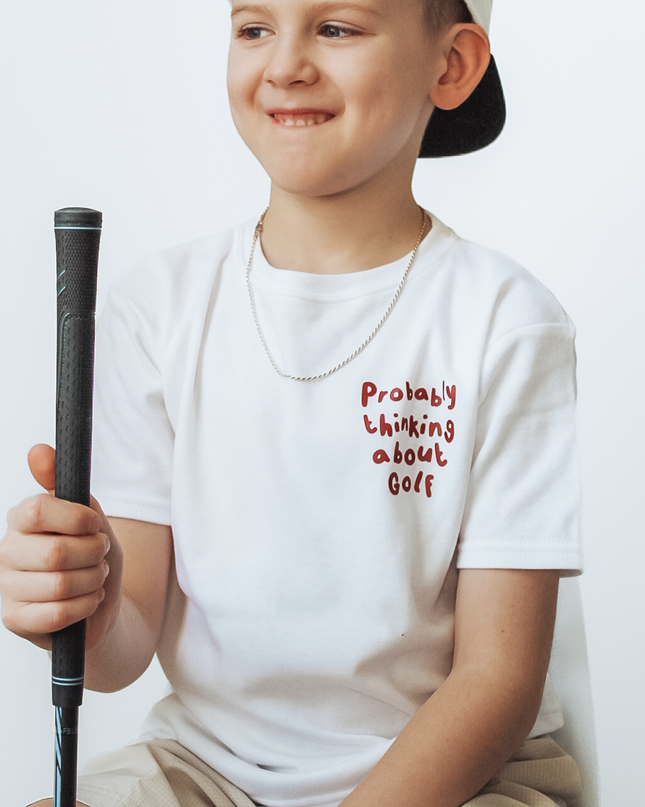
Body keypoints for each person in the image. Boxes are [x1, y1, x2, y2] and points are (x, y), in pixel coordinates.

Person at [0, 1, 585, 805]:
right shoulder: (156, 309)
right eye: (253, 28)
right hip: (206, 769)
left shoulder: (505, 320)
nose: (284, 65)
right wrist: (86, 609)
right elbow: (123, 647)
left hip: (457, 774)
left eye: (336, 28)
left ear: (450, 65)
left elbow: (497, 678)